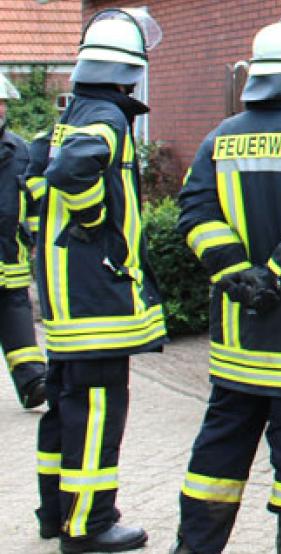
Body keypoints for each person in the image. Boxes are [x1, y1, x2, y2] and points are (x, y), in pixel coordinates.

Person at [170, 12, 281, 554]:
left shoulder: (219, 138)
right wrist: (277, 273)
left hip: (239, 339)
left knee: (220, 446)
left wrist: (237, 275)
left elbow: (194, 214)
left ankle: (196, 545)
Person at [34, 8, 167, 553]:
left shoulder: (75, 112)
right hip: (96, 297)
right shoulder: (107, 118)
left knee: (64, 409)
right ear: (128, 70)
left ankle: (55, 513)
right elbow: (70, 174)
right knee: (96, 411)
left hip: (67, 297)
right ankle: (90, 524)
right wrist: (95, 221)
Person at [0, 72, 46, 409]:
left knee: (18, 323)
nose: (0, 109)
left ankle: (33, 382)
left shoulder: (19, 150)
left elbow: (33, 201)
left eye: (2, 103)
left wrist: (32, 236)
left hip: (9, 262)